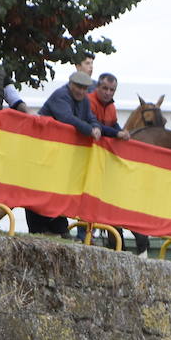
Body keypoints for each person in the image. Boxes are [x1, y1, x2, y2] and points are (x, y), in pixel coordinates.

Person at [27, 71, 130, 234]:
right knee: (42, 188)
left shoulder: (84, 101)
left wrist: (96, 127)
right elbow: (67, 118)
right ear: (70, 84)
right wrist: (91, 130)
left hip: (60, 155)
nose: (81, 91)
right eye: (78, 87)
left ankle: (57, 226)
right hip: (44, 151)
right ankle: (42, 227)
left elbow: (90, 117)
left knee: (57, 189)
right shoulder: (61, 96)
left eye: (84, 88)